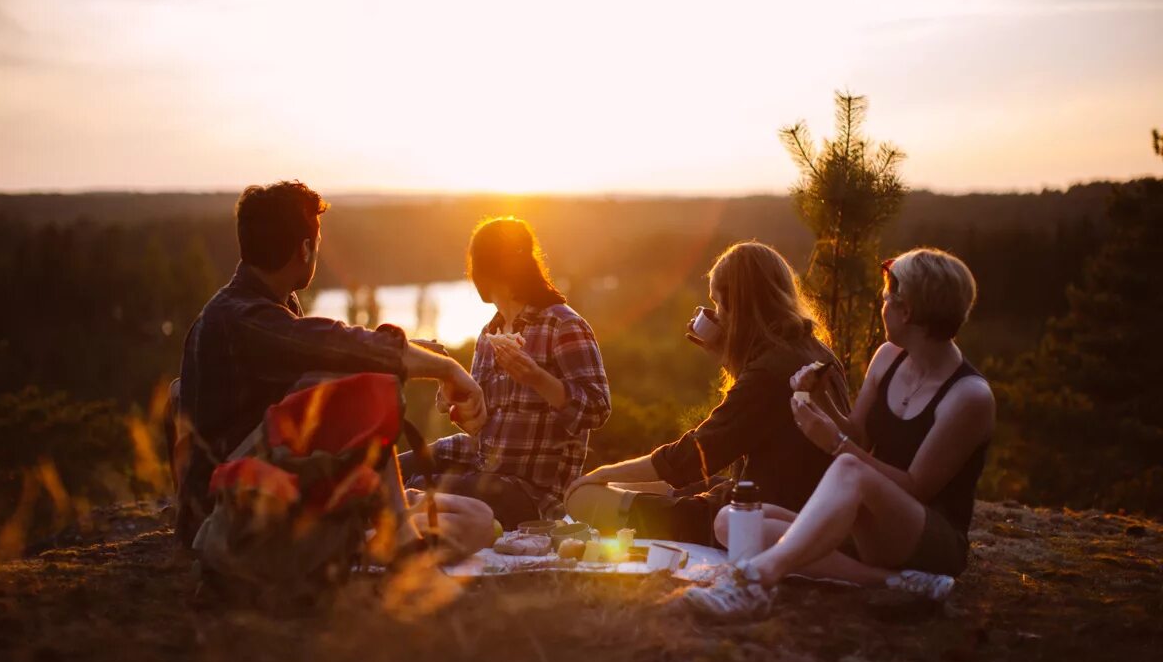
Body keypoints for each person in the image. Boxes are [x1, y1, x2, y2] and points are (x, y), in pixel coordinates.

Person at [175, 180, 493, 555]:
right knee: (348, 378)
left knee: (479, 519)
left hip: (275, 483)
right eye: (317, 243)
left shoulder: (260, 309)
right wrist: (449, 369)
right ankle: (397, 537)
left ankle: (377, 523)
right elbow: (341, 348)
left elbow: (330, 344)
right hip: (229, 514)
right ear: (306, 249)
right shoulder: (242, 319)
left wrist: (420, 353)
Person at [684, 248, 996, 618]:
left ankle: (753, 581)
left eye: (885, 301)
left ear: (906, 311)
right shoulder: (888, 358)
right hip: (868, 524)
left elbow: (915, 488)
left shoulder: (968, 396)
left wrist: (835, 443)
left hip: (928, 537)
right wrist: (821, 404)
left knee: (849, 469)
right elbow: (859, 437)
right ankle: (892, 581)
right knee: (734, 521)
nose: (881, 308)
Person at [564, 241, 848, 545]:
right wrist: (727, 355)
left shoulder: (771, 369)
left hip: (764, 514)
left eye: (719, 304)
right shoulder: (814, 350)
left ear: (739, 306)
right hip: (789, 497)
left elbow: (696, 455)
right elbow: (757, 424)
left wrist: (600, 472)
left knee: (584, 498)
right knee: (628, 485)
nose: (717, 314)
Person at [401, 217, 612, 527]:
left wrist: (537, 378)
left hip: (529, 492)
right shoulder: (490, 333)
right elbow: (481, 424)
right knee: (391, 472)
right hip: (481, 465)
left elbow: (597, 409)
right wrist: (454, 395)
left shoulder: (564, 325)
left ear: (489, 270)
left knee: (415, 491)